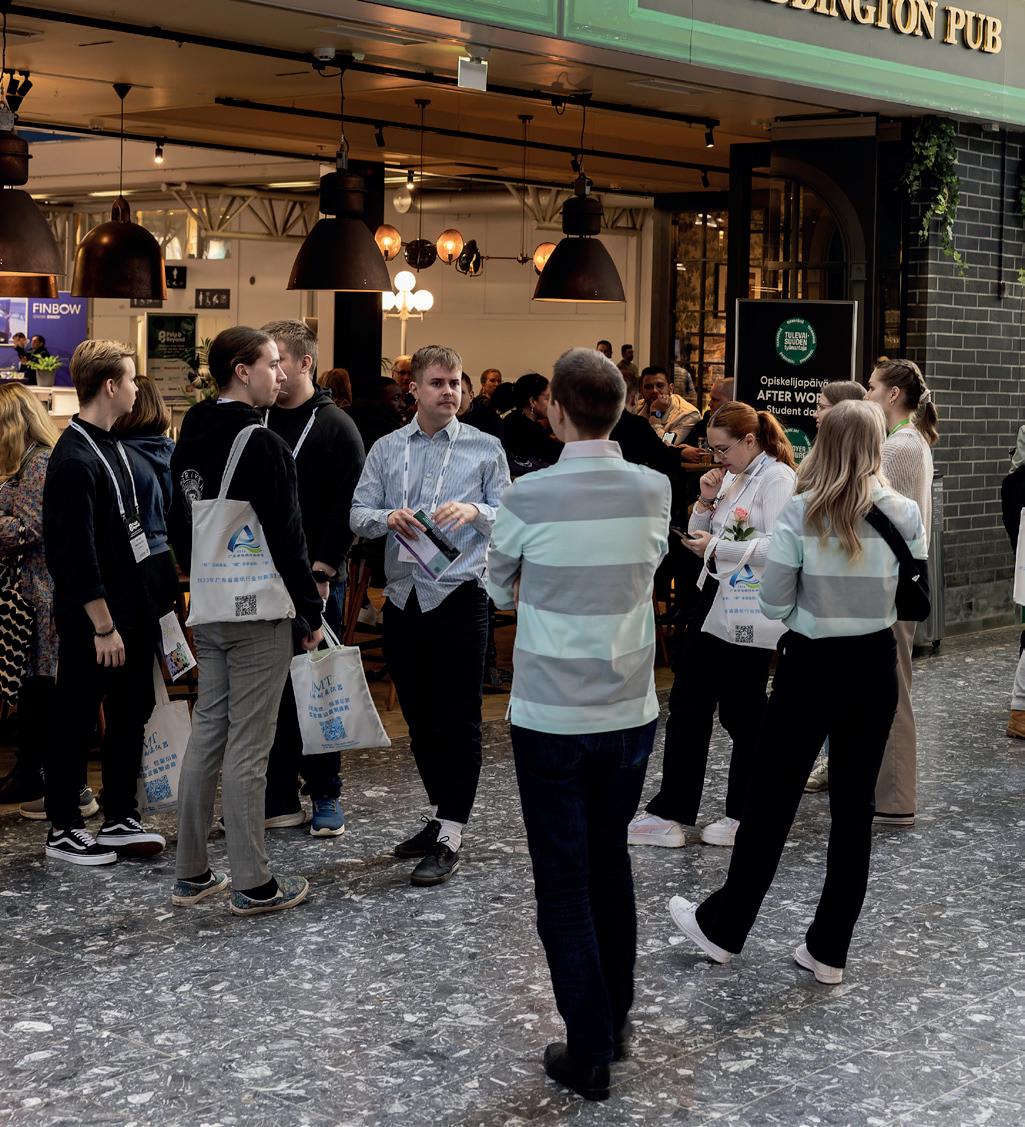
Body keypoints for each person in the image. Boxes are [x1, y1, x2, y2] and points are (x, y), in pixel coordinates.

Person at [668, 400, 926, 985]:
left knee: (771, 802)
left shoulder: (802, 511)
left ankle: (725, 929)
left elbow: (773, 600)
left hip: (810, 665)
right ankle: (829, 951)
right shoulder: (904, 511)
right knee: (853, 811)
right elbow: (909, 590)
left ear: (825, 445)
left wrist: (808, 611)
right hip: (874, 665)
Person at [488, 348, 670, 1101]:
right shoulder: (655, 488)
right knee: (608, 863)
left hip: (550, 714)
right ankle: (614, 1019)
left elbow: (499, 587)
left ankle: (589, 1046)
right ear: (621, 410)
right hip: (628, 706)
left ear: (555, 410)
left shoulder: (527, 495)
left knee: (563, 882)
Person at [168, 326, 324, 916]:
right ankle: (254, 883)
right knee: (250, 748)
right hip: (260, 610)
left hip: (209, 603)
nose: (280, 375)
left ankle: (191, 872)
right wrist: (310, 611)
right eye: (271, 364)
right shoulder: (264, 444)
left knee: (208, 730)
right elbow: (288, 539)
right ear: (241, 370)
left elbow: (178, 522)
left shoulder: (191, 429)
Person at [350, 344, 511, 887]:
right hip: (402, 598)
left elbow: (512, 516)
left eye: (456, 382)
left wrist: (476, 510)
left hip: (460, 595)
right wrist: (387, 517)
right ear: (413, 389)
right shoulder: (387, 448)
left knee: (459, 718)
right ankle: (442, 816)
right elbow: (358, 513)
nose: (449, 391)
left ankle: (452, 833)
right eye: (438, 383)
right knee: (419, 719)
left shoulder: (486, 447)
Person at [628, 402, 796, 850]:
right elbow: (706, 532)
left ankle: (745, 811)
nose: (716, 457)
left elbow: (782, 546)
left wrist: (718, 547)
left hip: (746, 603)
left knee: (742, 710)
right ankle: (674, 809)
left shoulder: (777, 478)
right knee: (691, 702)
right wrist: (704, 501)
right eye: (711, 448)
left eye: (722, 449)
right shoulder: (735, 475)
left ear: (749, 440)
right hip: (717, 598)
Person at [41, 340, 166, 865]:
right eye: (132, 379)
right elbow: (73, 552)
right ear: (111, 386)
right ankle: (64, 827)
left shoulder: (111, 444)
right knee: (76, 717)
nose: (138, 389)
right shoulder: (73, 457)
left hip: (130, 611)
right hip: (96, 620)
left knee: (130, 711)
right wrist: (103, 625)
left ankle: (119, 816)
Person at [261, 318, 365, 837]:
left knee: (318, 687)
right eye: (266, 360)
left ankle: (326, 792)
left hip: (314, 578)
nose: (272, 370)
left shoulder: (335, 426)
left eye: (278, 359)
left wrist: (324, 568)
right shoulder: (256, 418)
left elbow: (349, 504)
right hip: (259, 577)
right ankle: (278, 794)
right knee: (270, 691)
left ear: (305, 363)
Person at [865, 358, 938, 828]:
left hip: (892, 584)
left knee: (893, 692)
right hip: (892, 582)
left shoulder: (901, 446)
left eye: (872, 387)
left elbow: (884, 517)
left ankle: (895, 799)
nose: (867, 394)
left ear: (893, 394)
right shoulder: (907, 441)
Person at [0, 386, 59, 806]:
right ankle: (30, 769)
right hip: (31, 589)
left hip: (39, 589)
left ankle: (34, 773)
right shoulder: (32, 461)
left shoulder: (38, 463)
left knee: (39, 681)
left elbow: (29, 528)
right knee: (33, 681)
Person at [110, 374, 178, 618]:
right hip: (166, 559)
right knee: (169, 637)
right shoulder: (172, 450)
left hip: (132, 562)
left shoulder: (117, 455)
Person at [501, 373, 563, 477]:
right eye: (547, 398)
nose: (552, 403)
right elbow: (556, 453)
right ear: (532, 401)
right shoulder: (522, 427)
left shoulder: (515, 419)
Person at [638, 366, 700, 446]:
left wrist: (655, 414)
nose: (654, 391)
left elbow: (665, 446)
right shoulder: (635, 407)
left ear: (670, 388)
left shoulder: (688, 414)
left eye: (660, 386)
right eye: (648, 387)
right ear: (641, 390)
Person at [679, 378, 734, 463]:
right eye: (710, 398)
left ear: (732, 401)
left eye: (715, 400)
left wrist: (704, 455)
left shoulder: (742, 428)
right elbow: (685, 446)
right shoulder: (706, 422)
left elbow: (735, 458)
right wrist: (683, 452)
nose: (709, 404)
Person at [347, 376, 405, 452]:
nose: (403, 404)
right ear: (377, 401)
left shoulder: (352, 422)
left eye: (402, 398)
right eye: (396, 398)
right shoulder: (387, 433)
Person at [392, 354, 416, 423]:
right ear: (393, 374)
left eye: (410, 373)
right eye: (402, 373)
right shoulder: (384, 398)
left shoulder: (416, 400)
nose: (406, 378)